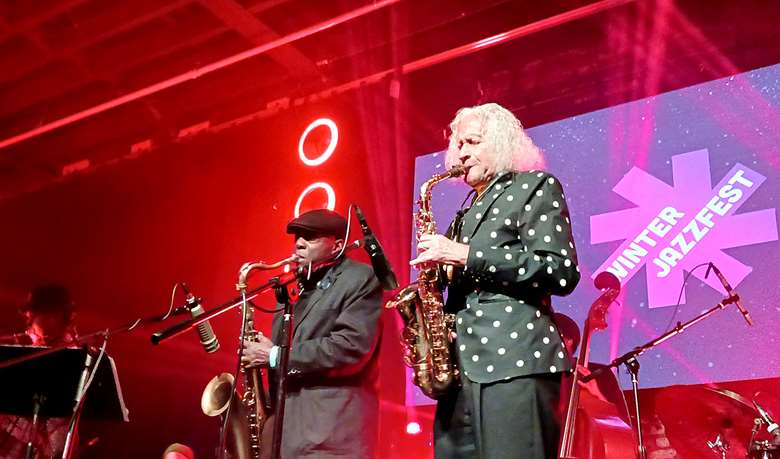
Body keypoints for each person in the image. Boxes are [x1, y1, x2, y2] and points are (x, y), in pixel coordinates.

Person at [410, 103, 580, 459]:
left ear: (502, 142)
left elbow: (560, 270)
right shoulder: (466, 211)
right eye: (457, 144)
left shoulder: (535, 186)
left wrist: (464, 254)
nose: (461, 152)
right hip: (459, 373)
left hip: (515, 364)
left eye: (471, 141)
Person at [241, 208, 383, 458]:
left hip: (330, 438)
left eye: (311, 237)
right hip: (286, 436)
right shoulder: (292, 288)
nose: (299, 244)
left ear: (337, 245)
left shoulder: (360, 278)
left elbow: (350, 348)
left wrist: (274, 355)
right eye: (297, 237)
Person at [0, 284, 79, 458]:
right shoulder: (35, 353)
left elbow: (54, 444)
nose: (27, 320)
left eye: (33, 314)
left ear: (54, 316)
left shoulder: (70, 360)